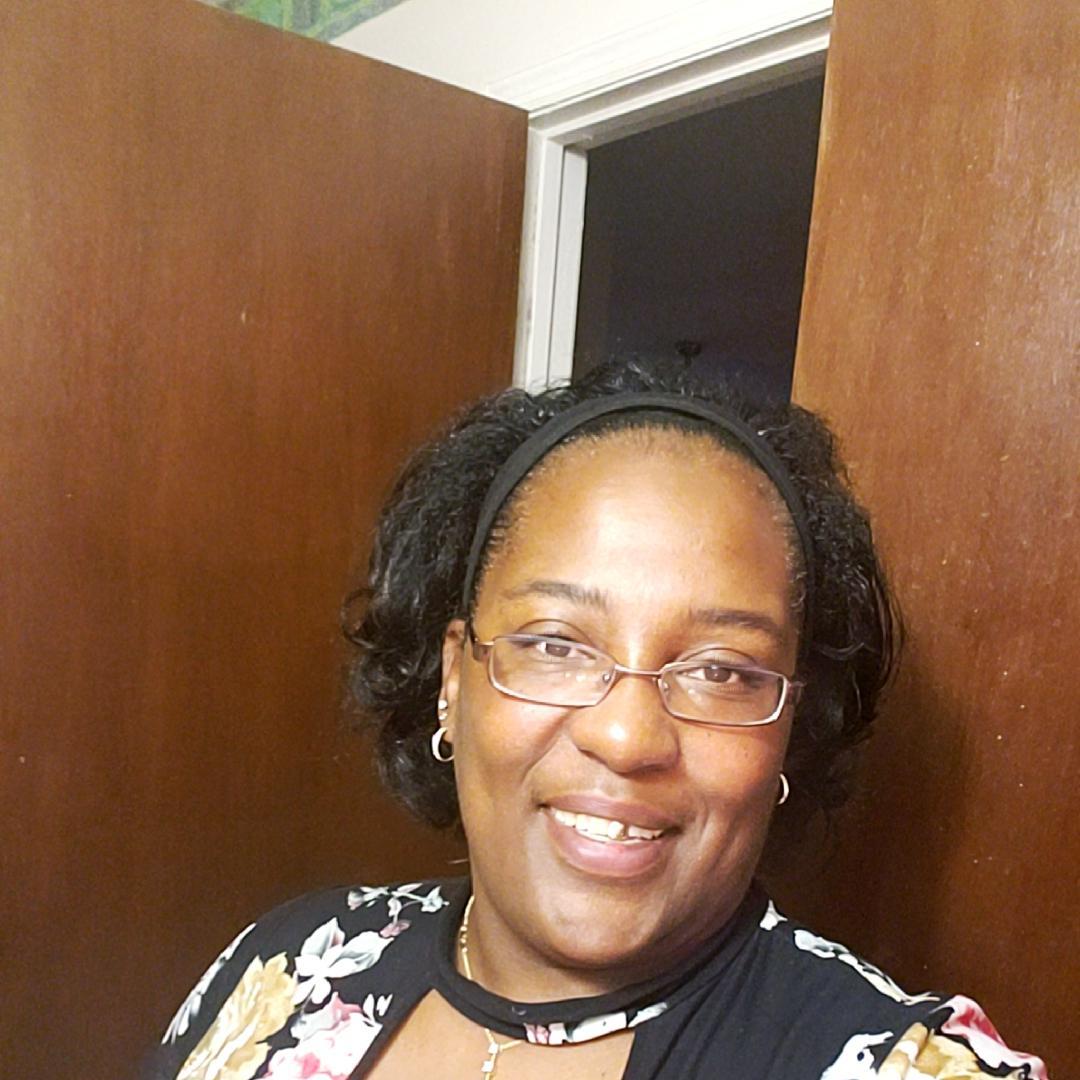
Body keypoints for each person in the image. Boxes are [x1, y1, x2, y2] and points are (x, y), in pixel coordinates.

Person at [145, 361, 1048, 1079]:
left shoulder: (899, 1067)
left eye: (722, 671)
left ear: (789, 731)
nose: (626, 737)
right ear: (455, 679)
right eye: (555, 644)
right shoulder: (288, 966)